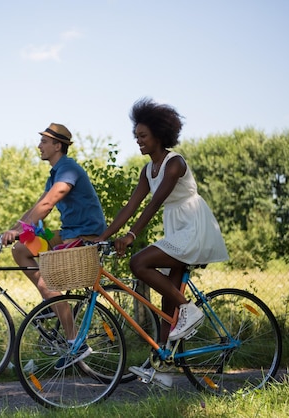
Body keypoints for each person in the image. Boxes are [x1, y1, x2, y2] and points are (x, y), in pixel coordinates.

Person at [95, 98, 229, 388]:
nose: (138, 141)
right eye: (136, 137)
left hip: (194, 228)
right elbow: (131, 206)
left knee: (139, 262)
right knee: (167, 308)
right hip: (177, 232)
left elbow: (154, 204)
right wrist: (102, 237)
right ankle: (164, 370)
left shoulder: (174, 163)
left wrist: (131, 236)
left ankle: (190, 310)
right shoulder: (147, 170)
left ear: (159, 134)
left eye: (143, 136)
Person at [2, 122, 107, 369]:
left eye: (44, 142)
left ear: (57, 145)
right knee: (21, 248)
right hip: (67, 232)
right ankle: (51, 305)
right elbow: (38, 206)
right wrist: (16, 231)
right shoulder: (55, 173)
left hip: (84, 234)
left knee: (47, 278)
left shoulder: (68, 169)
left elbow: (49, 205)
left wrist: (18, 230)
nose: (39, 145)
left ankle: (74, 341)